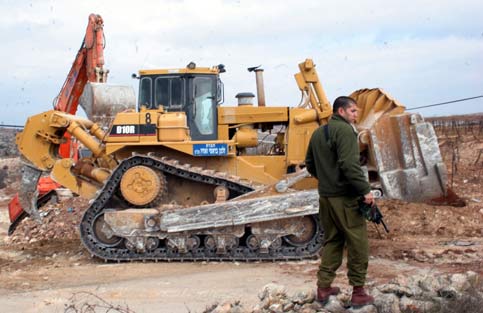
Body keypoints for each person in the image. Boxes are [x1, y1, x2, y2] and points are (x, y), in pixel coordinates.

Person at [305, 96, 375, 307]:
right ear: (341, 112)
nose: (356, 115)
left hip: (326, 197)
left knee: (333, 240)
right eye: (353, 111)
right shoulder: (345, 131)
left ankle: (324, 287)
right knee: (358, 242)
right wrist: (365, 190)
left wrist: (327, 180)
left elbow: (309, 163)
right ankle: (359, 292)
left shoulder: (318, 133)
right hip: (344, 198)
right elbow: (349, 165)